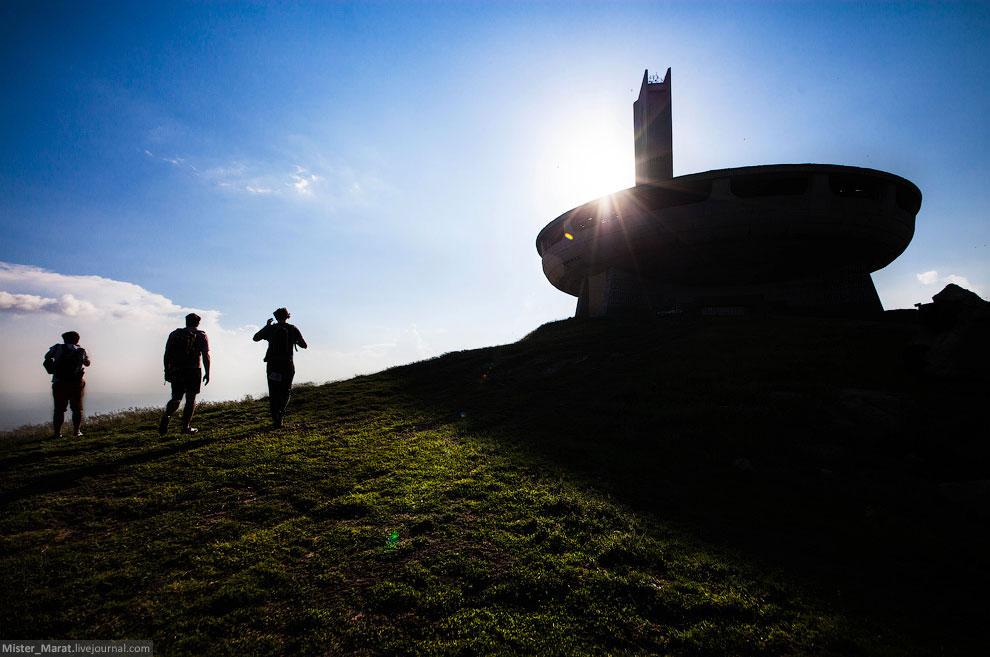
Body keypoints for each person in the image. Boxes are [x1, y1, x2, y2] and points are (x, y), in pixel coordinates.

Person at [253, 307, 307, 428]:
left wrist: (266, 327)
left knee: (273, 392)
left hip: (273, 364)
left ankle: (275, 417)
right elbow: (304, 345)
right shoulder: (293, 329)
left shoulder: (271, 329)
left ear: (276, 317)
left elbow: (255, 338)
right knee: (285, 390)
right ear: (288, 316)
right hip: (287, 364)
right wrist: (295, 341)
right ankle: (280, 413)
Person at [159, 313, 210, 435]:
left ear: (186, 321)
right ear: (198, 323)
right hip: (193, 370)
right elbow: (205, 355)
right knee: (191, 399)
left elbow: (167, 354)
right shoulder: (201, 335)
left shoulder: (175, 334)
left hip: (177, 370)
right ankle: (186, 427)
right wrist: (207, 372)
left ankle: (166, 417)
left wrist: (167, 370)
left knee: (176, 398)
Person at [43, 331, 91, 439]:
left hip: (59, 381)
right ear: (77, 339)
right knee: (77, 407)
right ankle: (77, 431)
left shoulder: (57, 348)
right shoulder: (81, 350)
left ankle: (57, 433)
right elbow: (87, 363)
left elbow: (47, 357)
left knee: (59, 409)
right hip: (77, 382)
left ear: (64, 339)